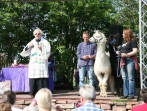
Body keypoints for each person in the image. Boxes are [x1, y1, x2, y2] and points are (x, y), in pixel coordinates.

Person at [20, 28, 51, 97]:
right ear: (34, 35)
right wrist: (28, 47)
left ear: (41, 34)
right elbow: (24, 53)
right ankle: (32, 93)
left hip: (41, 64)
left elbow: (48, 52)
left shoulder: (46, 42)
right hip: (34, 64)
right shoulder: (31, 42)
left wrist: (42, 48)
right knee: (33, 78)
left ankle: (43, 94)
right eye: (36, 34)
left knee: (42, 78)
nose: (37, 35)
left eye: (39, 34)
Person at [116, 28, 138, 99]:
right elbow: (123, 50)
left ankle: (131, 94)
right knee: (124, 77)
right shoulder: (123, 41)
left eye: (123, 33)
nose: (122, 34)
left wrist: (127, 54)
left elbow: (135, 51)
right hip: (123, 60)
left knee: (130, 78)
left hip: (129, 60)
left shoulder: (133, 41)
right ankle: (125, 93)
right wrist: (119, 52)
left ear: (127, 34)